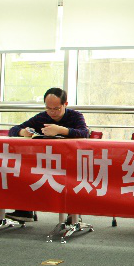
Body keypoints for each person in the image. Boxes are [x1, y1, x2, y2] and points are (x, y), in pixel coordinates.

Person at [7, 87, 89, 222]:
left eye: (56, 108)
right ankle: (24, 210)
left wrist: (61, 130)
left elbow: (84, 133)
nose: (52, 112)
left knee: (71, 177)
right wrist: (23, 132)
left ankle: (73, 214)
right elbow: (13, 130)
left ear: (65, 104)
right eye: (48, 108)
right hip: (46, 162)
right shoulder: (42, 117)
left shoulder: (75, 116)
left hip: (70, 162)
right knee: (24, 169)